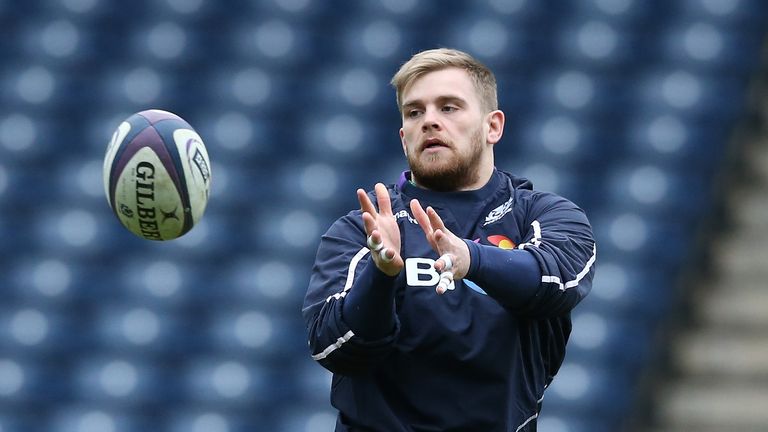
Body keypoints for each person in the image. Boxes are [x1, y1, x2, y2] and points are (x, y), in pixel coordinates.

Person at [302, 48, 597, 432]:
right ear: (403, 137)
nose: (429, 121)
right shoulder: (363, 230)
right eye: (414, 112)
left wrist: (472, 260)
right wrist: (382, 275)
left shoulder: (542, 216)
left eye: (449, 107)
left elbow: (558, 281)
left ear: (493, 127)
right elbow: (333, 347)